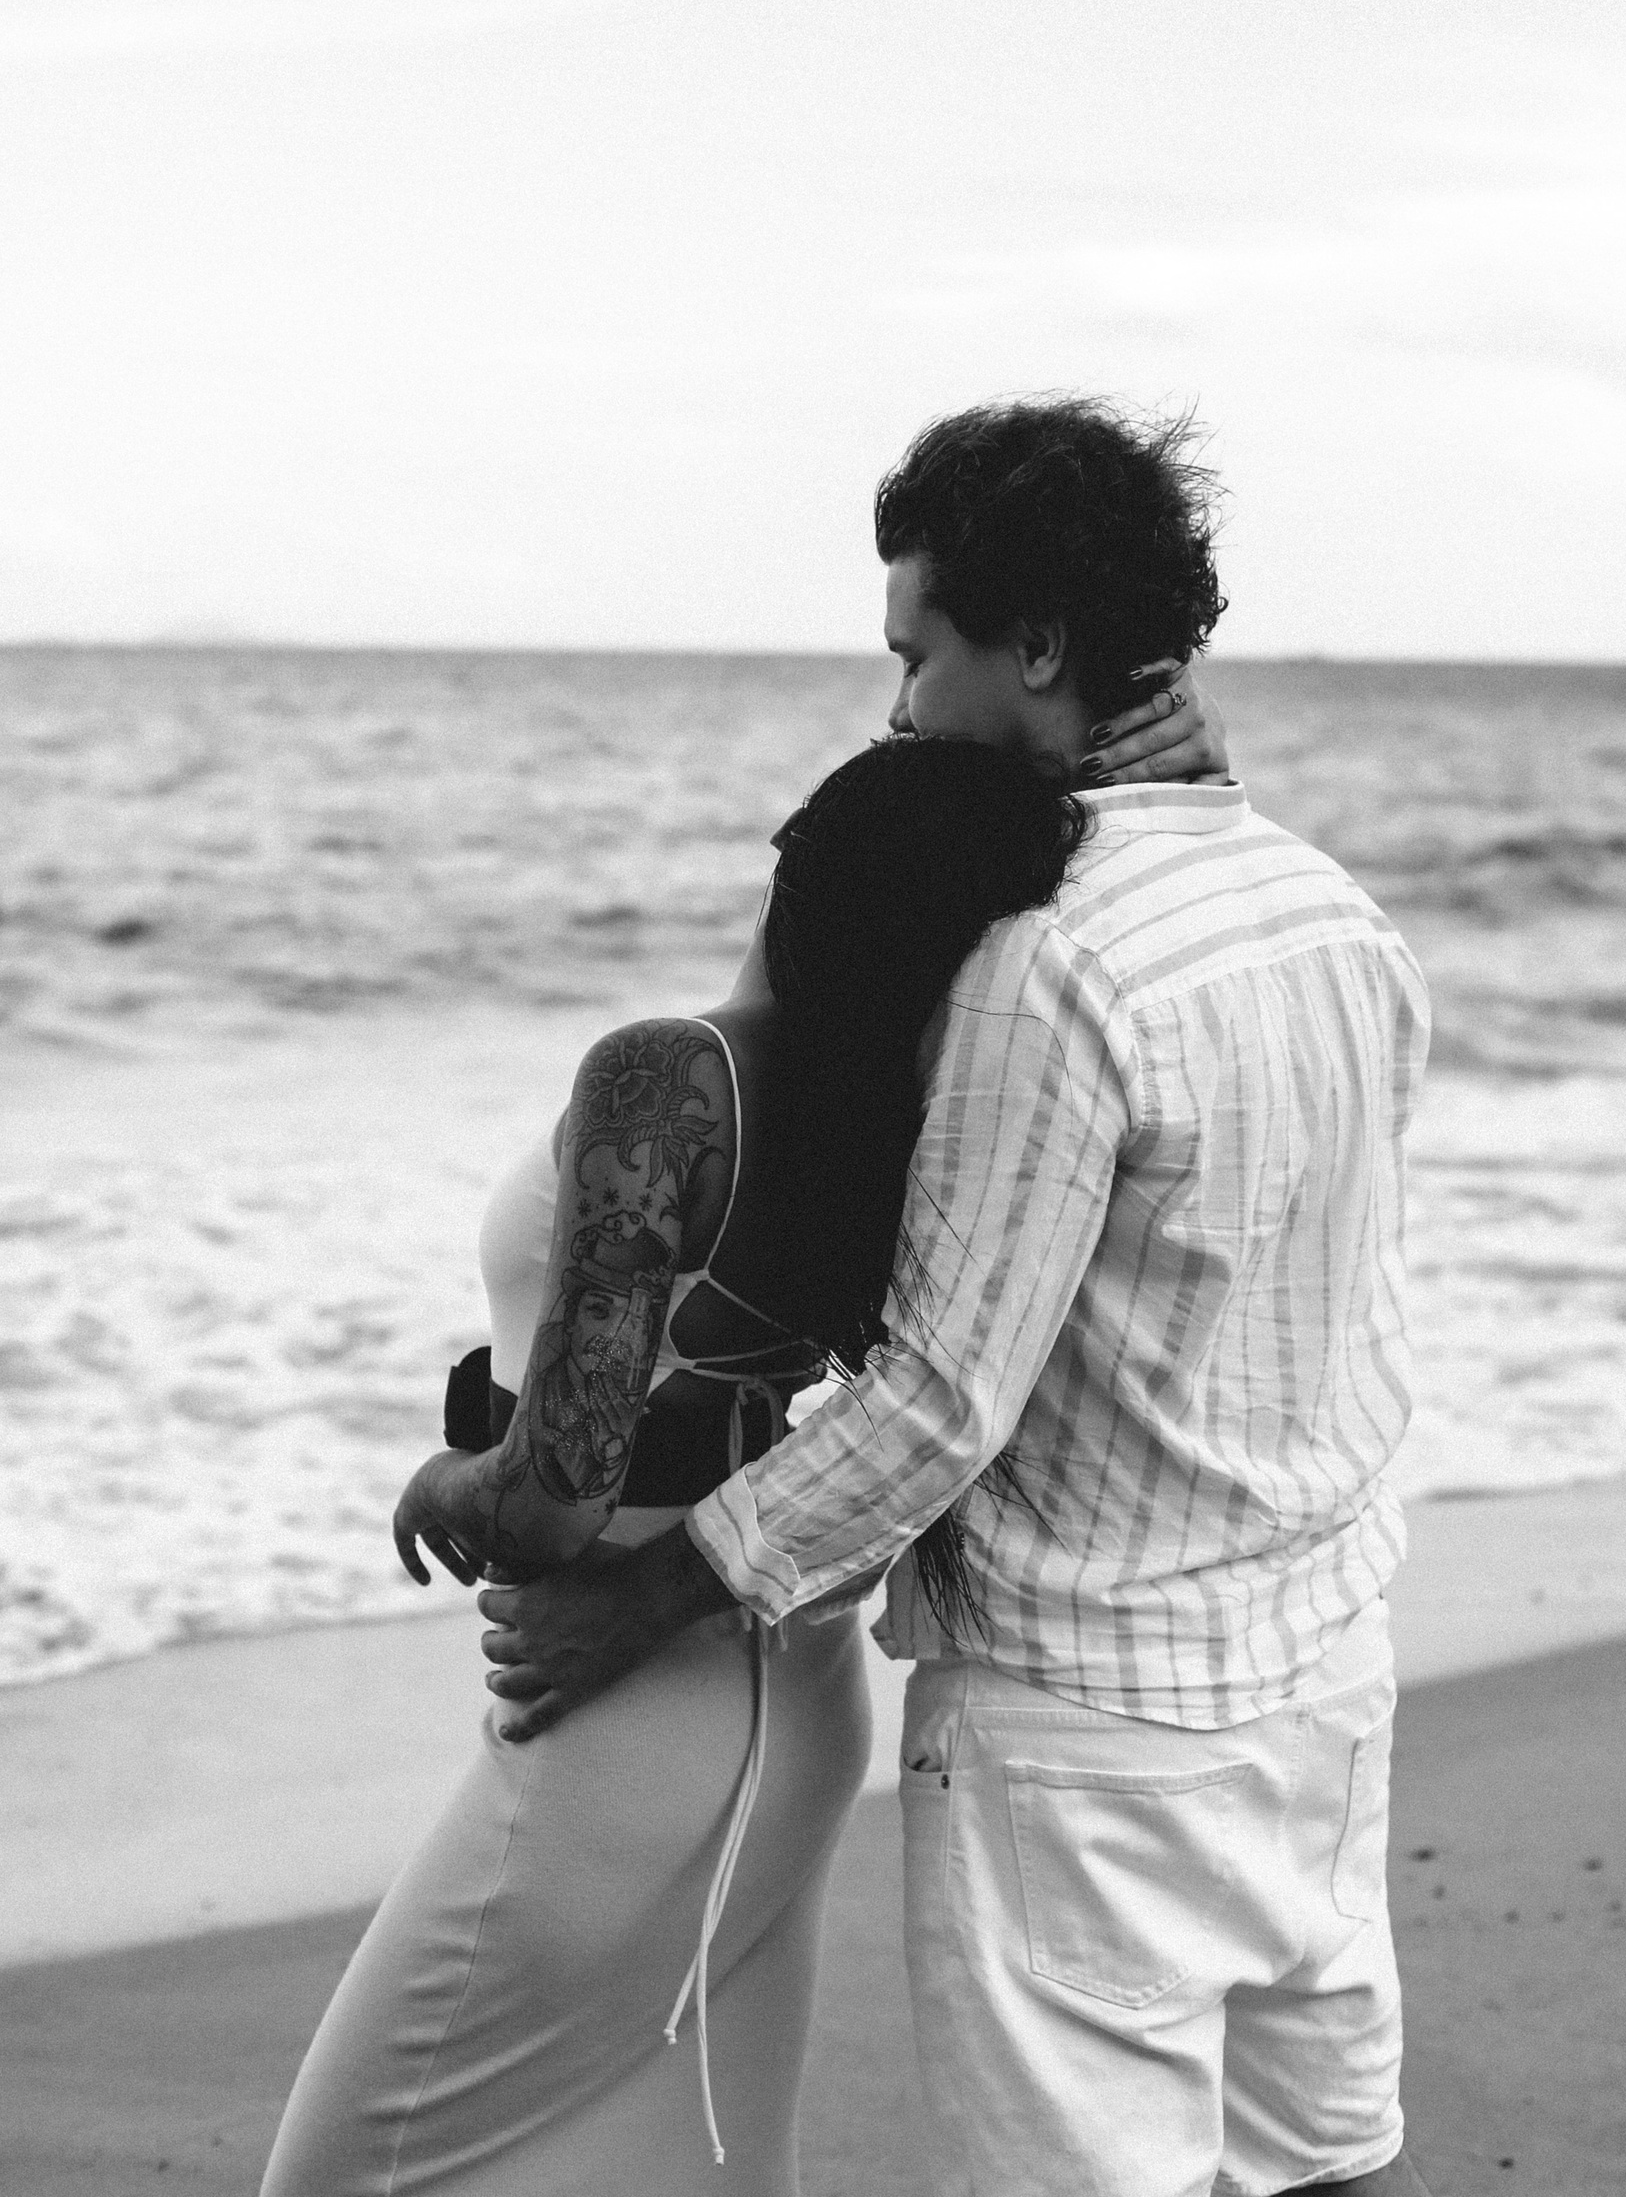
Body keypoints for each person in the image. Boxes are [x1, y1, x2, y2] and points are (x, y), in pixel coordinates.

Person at [481, 398, 1437, 2197]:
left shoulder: (1046, 971)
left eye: (915, 656)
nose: (901, 709)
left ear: (1040, 646)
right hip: (1324, 1672)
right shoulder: (1327, 911)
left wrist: (648, 1602)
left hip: (1095, 1734)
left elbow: (938, 1402)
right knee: (1321, 2169)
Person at [259, 682, 1224, 2197]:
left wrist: (447, 1476)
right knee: (691, 2166)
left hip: (620, 1711)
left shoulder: (665, 1080)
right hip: (789, 1688)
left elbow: (555, 1500)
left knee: (348, 2169)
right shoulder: (904, 1117)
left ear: (800, 853)